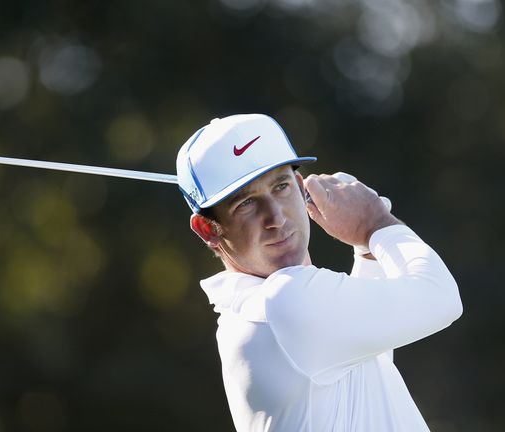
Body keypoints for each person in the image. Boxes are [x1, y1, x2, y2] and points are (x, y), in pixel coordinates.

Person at [175, 114, 463, 432]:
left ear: (301, 188)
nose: (276, 217)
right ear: (207, 229)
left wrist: (366, 248)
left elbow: (369, 349)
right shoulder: (284, 301)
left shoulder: (256, 311)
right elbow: (441, 298)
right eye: (246, 203)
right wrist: (376, 224)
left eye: (281, 187)